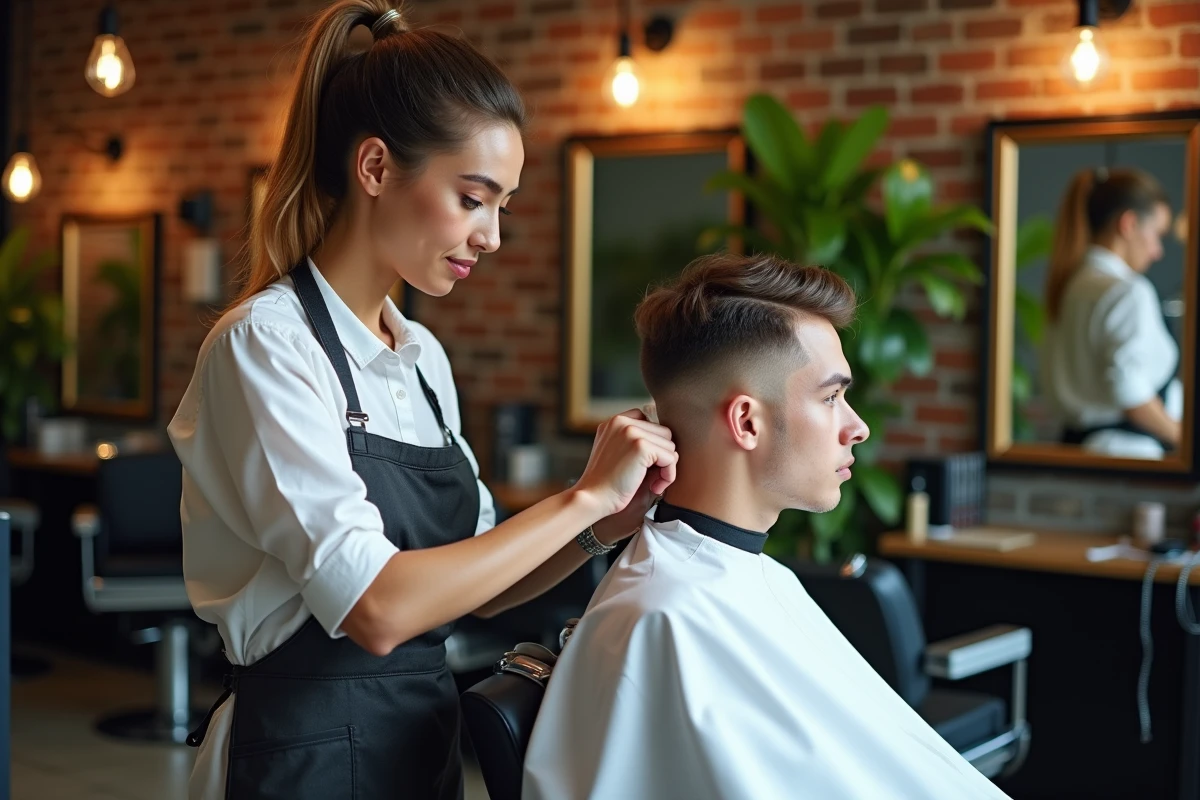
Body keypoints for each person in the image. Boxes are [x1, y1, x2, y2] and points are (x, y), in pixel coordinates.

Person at [166, 3, 678, 798]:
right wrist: (580, 498)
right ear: (375, 168)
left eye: (502, 206)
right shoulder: (265, 345)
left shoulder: (422, 359)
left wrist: (599, 527)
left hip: (420, 744)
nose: (492, 236)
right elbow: (375, 606)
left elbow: (479, 580)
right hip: (301, 754)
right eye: (473, 199)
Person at [522, 253, 1011, 800]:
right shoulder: (663, 619)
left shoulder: (739, 581)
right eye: (831, 397)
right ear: (747, 422)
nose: (858, 427)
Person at [1040, 166, 1178, 459]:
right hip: (1127, 454)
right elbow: (1129, 391)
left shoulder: (1069, 285)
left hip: (1074, 451)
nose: (1157, 251)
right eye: (1157, 234)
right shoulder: (1128, 291)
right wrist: (1182, 438)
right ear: (1128, 224)